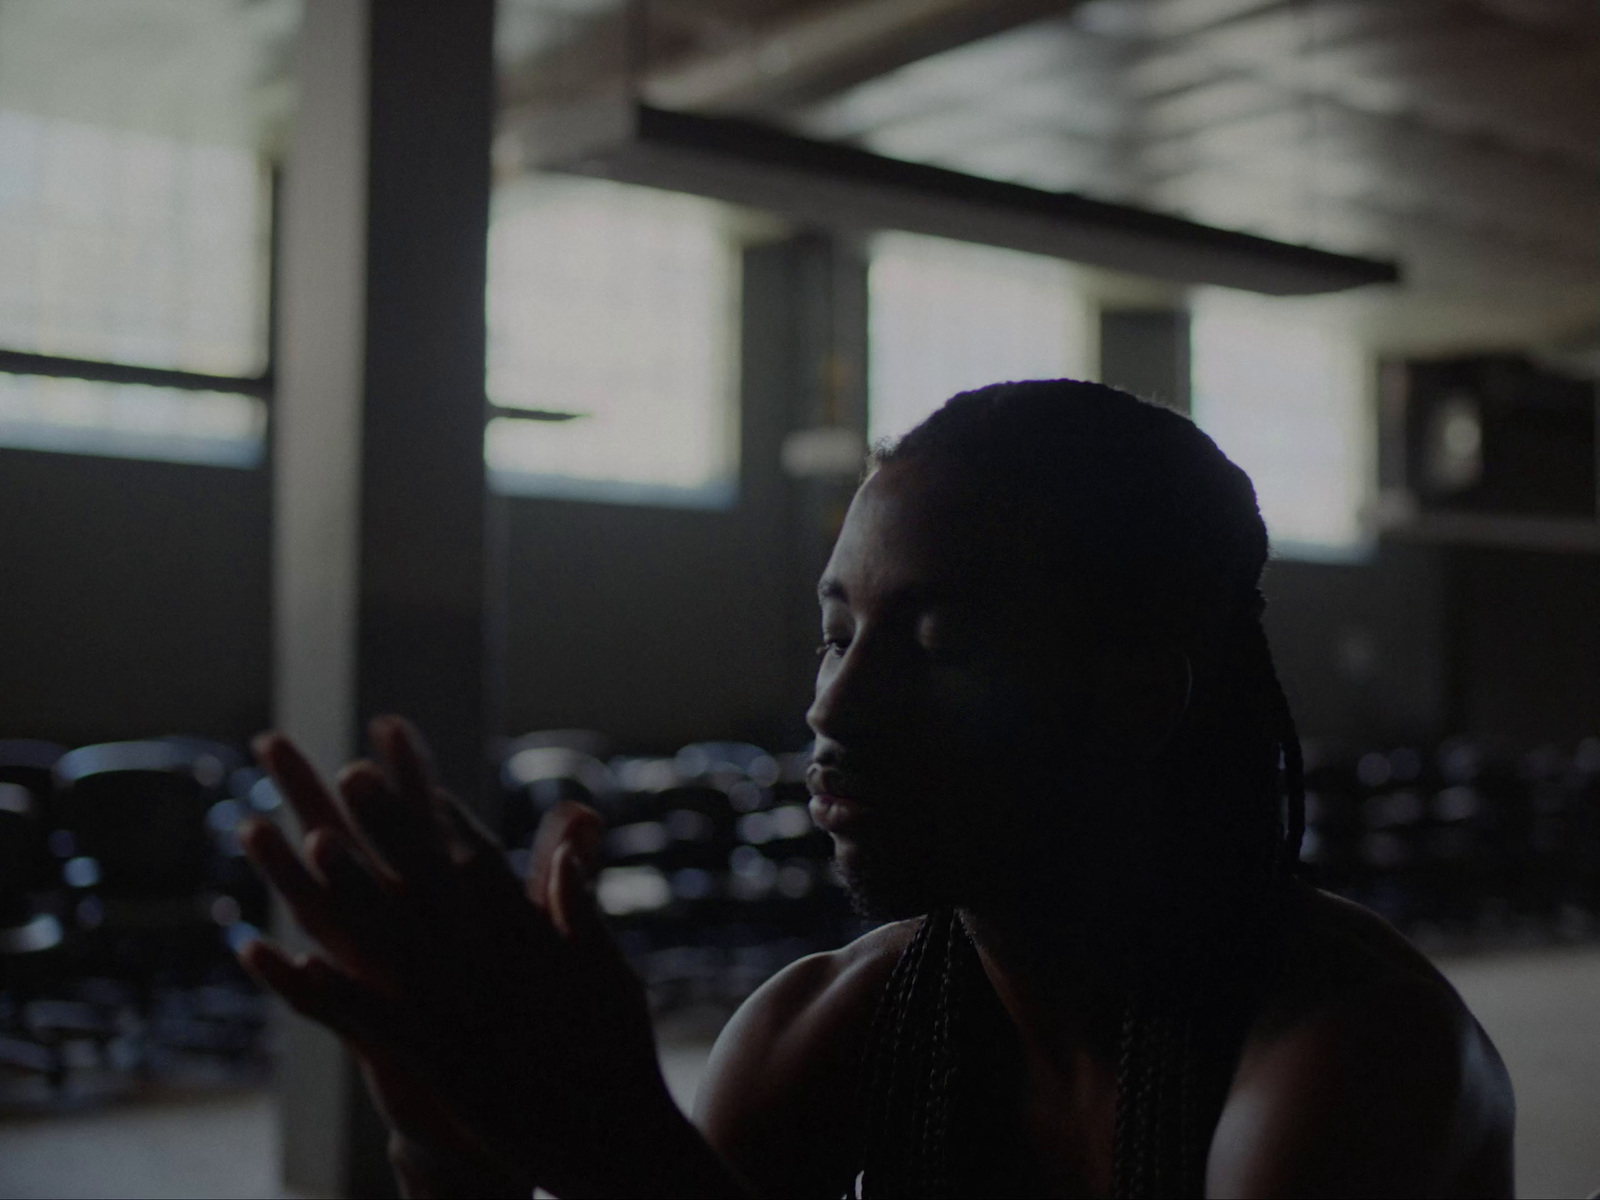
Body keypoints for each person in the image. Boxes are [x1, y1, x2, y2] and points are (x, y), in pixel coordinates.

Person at [239, 380, 1515, 1198]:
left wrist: (620, 1152)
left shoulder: (1354, 1063)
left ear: (1137, 696)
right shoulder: (837, 1025)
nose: (832, 707)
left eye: (939, 642)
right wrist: (450, 1149)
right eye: (837, 632)